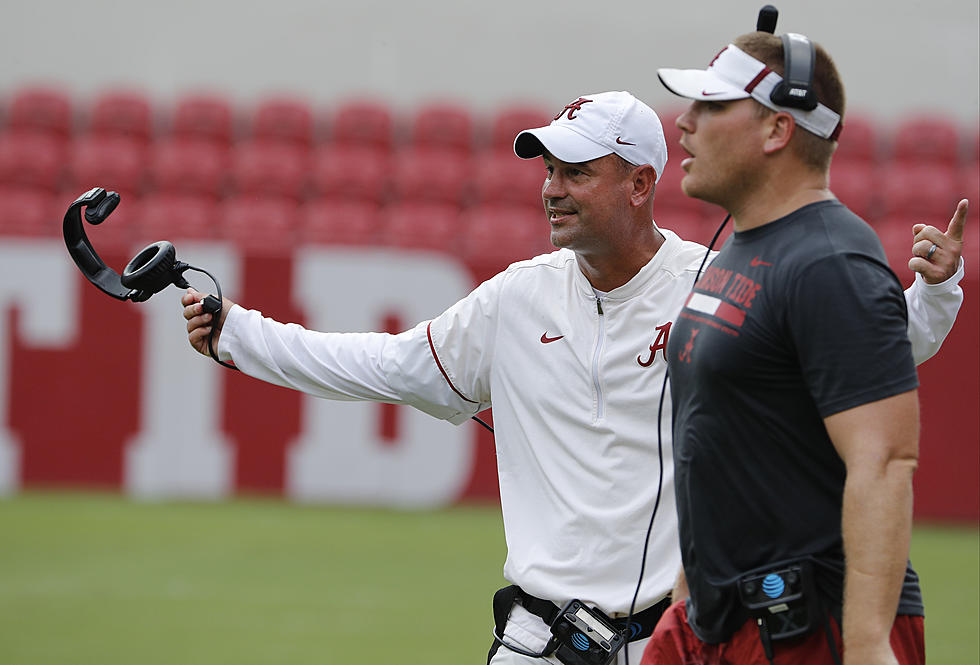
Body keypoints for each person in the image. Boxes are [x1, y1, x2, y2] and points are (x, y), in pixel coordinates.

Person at [180, 91, 964, 664]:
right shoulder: (515, 296)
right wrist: (238, 334)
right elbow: (387, 364)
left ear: (639, 183)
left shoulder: (721, 282)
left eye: (577, 171)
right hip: (536, 641)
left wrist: (932, 291)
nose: (551, 187)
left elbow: (872, 350)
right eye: (548, 169)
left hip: (679, 638)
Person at [642, 28, 968, 665]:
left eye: (712, 106)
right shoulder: (746, 244)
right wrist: (690, 595)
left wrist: (870, 643)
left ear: (775, 131)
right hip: (716, 619)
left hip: (809, 628)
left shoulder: (830, 261)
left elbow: (884, 461)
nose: (685, 122)